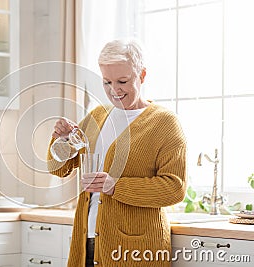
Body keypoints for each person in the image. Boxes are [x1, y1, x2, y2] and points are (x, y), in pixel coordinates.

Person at [47, 39, 187, 267]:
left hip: (136, 250)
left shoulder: (164, 123)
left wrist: (115, 186)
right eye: (107, 82)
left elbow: (175, 188)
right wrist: (61, 139)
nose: (114, 90)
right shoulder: (97, 116)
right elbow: (58, 168)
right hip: (88, 243)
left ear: (141, 75)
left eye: (123, 81)